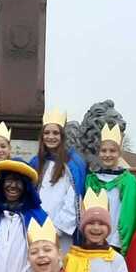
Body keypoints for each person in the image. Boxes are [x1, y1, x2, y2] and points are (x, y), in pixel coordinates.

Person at [30, 108, 87, 253]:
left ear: (62, 136)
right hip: (36, 229)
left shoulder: (73, 163)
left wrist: (57, 230)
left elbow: (73, 199)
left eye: (55, 133)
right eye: (47, 133)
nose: (51, 137)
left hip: (61, 234)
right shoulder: (35, 163)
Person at [84, 123, 136, 252]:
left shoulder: (129, 181)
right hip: (93, 238)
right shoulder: (91, 180)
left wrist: (117, 241)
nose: (108, 154)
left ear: (119, 153)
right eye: (103, 150)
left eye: (112, 151)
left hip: (117, 243)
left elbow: (133, 215)